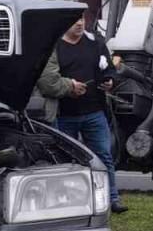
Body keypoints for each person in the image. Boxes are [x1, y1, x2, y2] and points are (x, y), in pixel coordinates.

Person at [53, 17, 127, 214]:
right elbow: (49, 78)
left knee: (103, 156)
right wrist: (69, 87)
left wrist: (110, 80)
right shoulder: (55, 45)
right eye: (75, 19)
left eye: (82, 19)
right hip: (64, 114)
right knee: (66, 160)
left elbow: (109, 68)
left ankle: (112, 199)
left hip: (94, 112)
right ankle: (67, 202)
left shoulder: (95, 43)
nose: (79, 23)